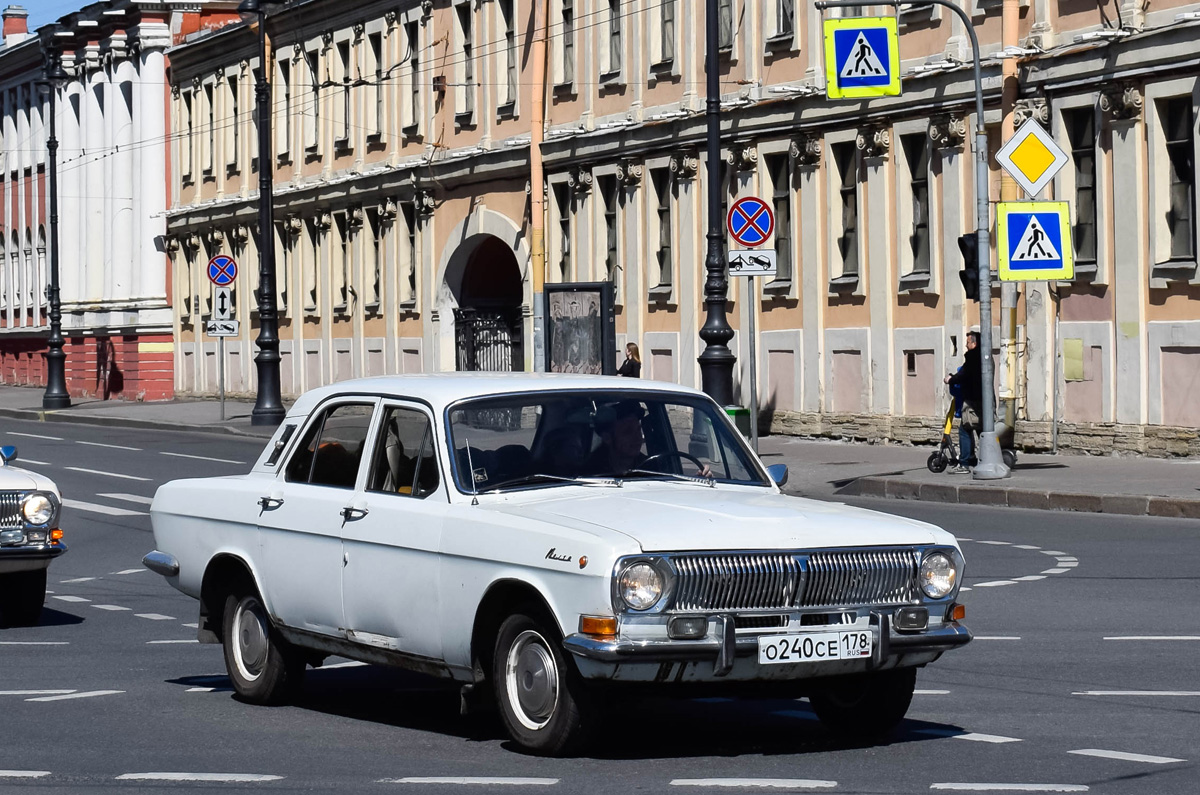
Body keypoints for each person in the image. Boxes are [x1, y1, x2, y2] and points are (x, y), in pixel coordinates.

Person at [944, 331, 984, 474]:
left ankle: (965, 463)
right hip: (982, 399)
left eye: (968, 342)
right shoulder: (983, 357)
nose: (966, 346)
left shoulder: (973, 357)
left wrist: (951, 379)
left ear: (974, 343)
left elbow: (964, 375)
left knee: (965, 429)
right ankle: (977, 458)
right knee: (980, 429)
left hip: (973, 400)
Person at [586, 401, 647, 475]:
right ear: (607, 437)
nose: (637, 437)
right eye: (628, 431)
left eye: (638, 429)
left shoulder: (653, 468)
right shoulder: (589, 474)